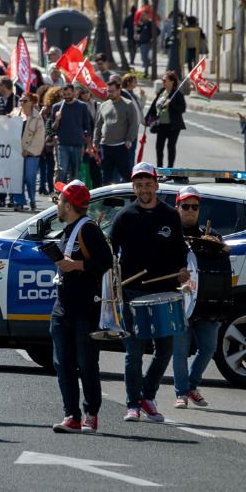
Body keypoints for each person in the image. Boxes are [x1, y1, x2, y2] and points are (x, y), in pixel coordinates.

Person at [109, 162, 189, 423]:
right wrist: (114, 280)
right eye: (139, 184)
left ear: (156, 185)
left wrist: (182, 271)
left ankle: (147, 395)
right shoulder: (124, 217)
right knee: (133, 353)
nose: (144, 188)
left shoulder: (170, 215)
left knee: (165, 349)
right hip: (132, 293)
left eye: (148, 183)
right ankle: (132, 403)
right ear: (134, 187)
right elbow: (110, 253)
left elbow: (180, 251)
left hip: (165, 293)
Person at [47, 178, 113, 433]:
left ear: (69, 204)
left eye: (60, 199)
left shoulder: (88, 229)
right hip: (62, 307)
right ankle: (70, 415)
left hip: (86, 309)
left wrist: (75, 265)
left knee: (86, 363)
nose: (57, 204)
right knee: (62, 363)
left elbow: (105, 261)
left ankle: (91, 414)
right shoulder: (68, 230)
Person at [173, 187, 223, 409]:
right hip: (179, 302)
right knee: (180, 350)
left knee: (209, 347)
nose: (191, 211)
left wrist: (218, 247)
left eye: (195, 207)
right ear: (177, 208)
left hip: (204, 302)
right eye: (185, 206)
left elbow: (224, 258)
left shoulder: (208, 235)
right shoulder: (170, 236)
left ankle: (192, 385)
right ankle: (181, 392)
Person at [94, 78, 138, 185]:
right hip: (105, 146)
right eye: (108, 91)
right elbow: (98, 124)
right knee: (106, 177)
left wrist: (129, 139)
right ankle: (107, 200)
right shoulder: (104, 105)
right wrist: (96, 141)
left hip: (120, 146)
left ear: (119, 90)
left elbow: (133, 124)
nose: (109, 93)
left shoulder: (128, 104)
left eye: (112, 91)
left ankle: (133, 197)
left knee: (127, 175)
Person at [48, 84, 94, 185]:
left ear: (74, 93)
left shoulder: (82, 106)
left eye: (69, 94)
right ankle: (60, 194)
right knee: (62, 171)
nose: (67, 96)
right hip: (63, 144)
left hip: (78, 144)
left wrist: (89, 146)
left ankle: (73, 196)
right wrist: (57, 119)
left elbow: (87, 128)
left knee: (75, 173)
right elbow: (53, 128)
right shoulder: (57, 107)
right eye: (64, 94)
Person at [149, 71, 186, 169]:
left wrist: (171, 104)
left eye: (165, 80)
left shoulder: (177, 94)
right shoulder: (162, 92)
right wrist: (148, 119)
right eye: (162, 80)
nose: (163, 82)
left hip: (173, 126)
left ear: (172, 82)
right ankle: (160, 168)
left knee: (171, 146)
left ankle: (170, 168)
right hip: (161, 124)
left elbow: (182, 109)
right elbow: (154, 106)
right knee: (159, 147)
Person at [16, 94, 46, 212]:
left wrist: (29, 150)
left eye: (25, 100)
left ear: (32, 102)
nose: (22, 102)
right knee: (18, 179)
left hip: (31, 154)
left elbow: (39, 137)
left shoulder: (37, 118)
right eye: (20, 100)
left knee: (30, 177)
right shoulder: (15, 113)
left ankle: (32, 200)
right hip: (17, 152)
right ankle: (19, 202)